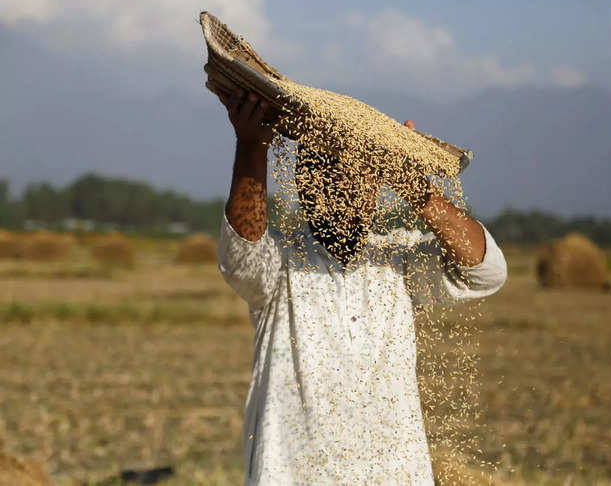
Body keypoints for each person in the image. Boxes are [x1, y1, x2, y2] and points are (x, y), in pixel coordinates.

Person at [214, 87, 507, 485]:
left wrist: (417, 188)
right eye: (331, 176)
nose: (347, 192)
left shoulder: (399, 259)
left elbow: (486, 271)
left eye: (363, 176)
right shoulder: (283, 265)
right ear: (307, 187)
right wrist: (252, 144)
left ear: (377, 188)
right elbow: (242, 258)